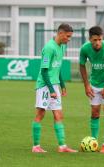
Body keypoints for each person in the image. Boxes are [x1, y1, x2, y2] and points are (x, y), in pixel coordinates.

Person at [31, 23, 77, 153]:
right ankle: (36, 146)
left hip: (55, 85)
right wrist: (51, 90)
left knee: (58, 115)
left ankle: (62, 146)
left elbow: (57, 68)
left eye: (70, 37)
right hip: (44, 86)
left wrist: (62, 85)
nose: (69, 39)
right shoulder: (49, 48)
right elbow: (44, 71)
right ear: (60, 33)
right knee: (40, 113)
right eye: (68, 36)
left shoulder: (61, 47)